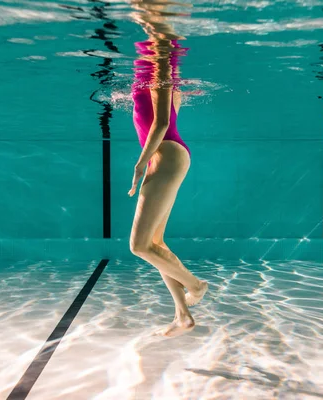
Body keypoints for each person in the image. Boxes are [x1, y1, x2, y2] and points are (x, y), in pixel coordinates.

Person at [127, 0, 208, 338]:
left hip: (168, 155)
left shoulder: (161, 58)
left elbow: (160, 123)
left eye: (146, 16)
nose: (142, 23)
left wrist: (140, 164)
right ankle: (183, 315)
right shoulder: (161, 64)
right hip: (166, 157)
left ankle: (196, 285)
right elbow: (163, 117)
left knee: (139, 246)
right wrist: (150, 163)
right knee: (155, 243)